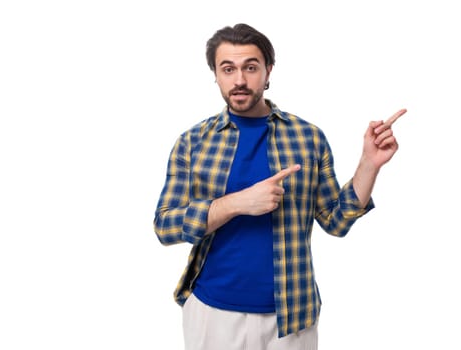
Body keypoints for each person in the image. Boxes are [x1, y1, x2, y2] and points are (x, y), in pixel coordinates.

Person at [153, 23, 407, 350]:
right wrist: (237, 203)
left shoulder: (307, 137)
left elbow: (336, 221)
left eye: (251, 67)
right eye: (228, 69)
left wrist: (369, 164)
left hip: (292, 316)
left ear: (268, 71)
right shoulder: (193, 142)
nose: (240, 80)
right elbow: (164, 226)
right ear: (215, 74)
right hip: (212, 312)